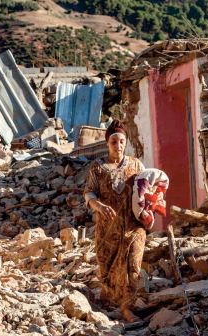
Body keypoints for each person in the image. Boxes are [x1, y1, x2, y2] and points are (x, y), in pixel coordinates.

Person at [83, 119, 145, 322]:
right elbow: (89, 193)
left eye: (121, 141)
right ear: (106, 144)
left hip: (133, 226)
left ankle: (129, 307)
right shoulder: (97, 168)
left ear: (125, 143)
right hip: (107, 230)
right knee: (108, 269)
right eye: (113, 142)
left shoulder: (136, 165)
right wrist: (98, 206)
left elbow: (148, 189)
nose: (118, 146)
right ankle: (110, 306)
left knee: (133, 265)